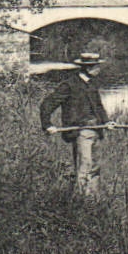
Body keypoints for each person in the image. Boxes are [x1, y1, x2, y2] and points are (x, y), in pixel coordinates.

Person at [39, 51, 111, 194]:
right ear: (88, 68)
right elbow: (47, 104)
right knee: (85, 164)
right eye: (96, 66)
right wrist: (47, 125)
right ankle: (82, 199)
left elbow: (98, 106)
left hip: (97, 129)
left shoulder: (92, 84)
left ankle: (93, 199)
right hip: (80, 131)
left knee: (96, 167)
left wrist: (108, 122)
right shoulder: (69, 85)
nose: (99, 69)